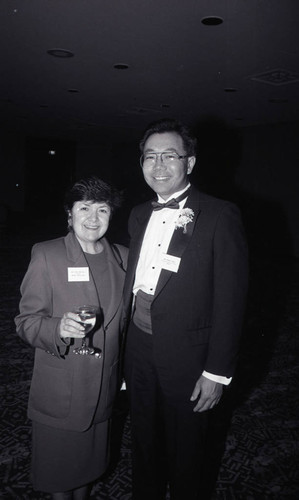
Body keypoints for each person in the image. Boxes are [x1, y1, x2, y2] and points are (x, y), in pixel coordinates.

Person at [123, 119, 248, 500]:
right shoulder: (139, 214)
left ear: (189, 163)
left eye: (169, 155)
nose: (158, 165)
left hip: (191, 357)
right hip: (139, 348)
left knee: (188, 453)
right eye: (150, 156)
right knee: (143, 441)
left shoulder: (219, 214)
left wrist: (217, 372)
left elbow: (232, 299)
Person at [15, 176, 128, 500]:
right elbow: (25, 322)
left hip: (104, 387)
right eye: (85, 208)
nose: (93, 218)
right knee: (60, 477)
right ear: (70, 214)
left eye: (103, 210)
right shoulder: (47, 254)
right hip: (62, 390)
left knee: (88, 472)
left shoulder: (124, 257)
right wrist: (56, 329)